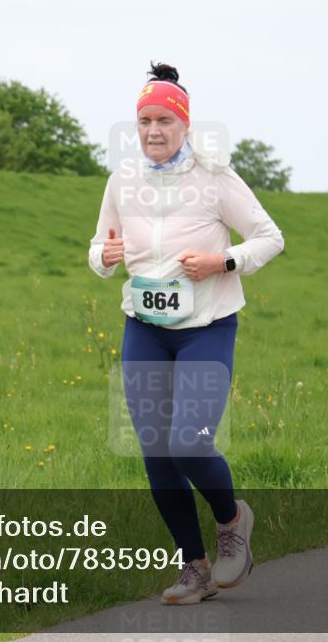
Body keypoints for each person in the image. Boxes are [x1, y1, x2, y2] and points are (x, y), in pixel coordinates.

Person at [88, 61, 285, 605]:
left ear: (185, 125)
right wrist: (104, 257)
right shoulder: (122, 181)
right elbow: (99, 252)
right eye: (145, 120)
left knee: (188, 442)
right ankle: (193, 568)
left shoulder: (215, 177)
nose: (153, 131)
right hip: (145, 329)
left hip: (207, 328)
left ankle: (232, 522)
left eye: (164, 121)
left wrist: (223, 262)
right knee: (155, 452)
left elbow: (270, 238)